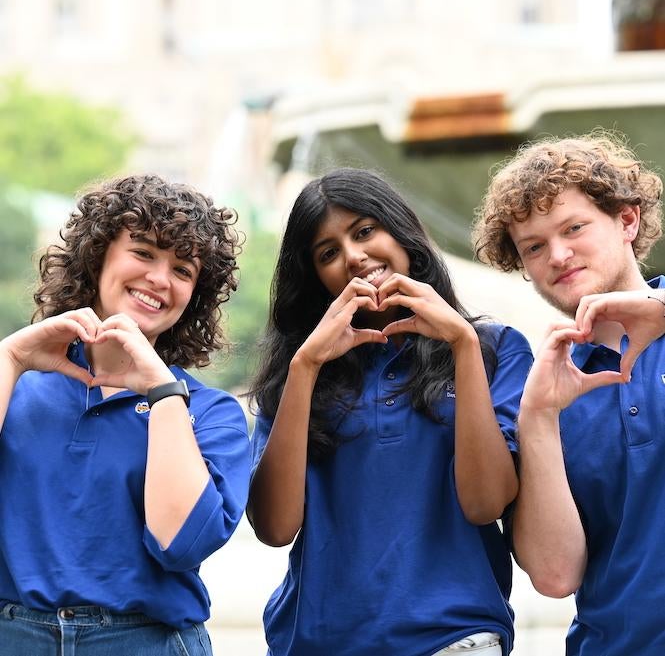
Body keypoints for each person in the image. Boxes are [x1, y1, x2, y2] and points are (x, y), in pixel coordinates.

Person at [246, 167, 533, 656]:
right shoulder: (299, 373)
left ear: (400, 232)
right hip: (317, 643)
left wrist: (462, 345)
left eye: (364, 231)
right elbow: (274, 528)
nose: (354, 257)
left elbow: (487, 504)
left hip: (454, 637)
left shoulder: (494, 350)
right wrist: (306, 366)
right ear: (315, 276)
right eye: (328, 253)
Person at [0, 174, 251, 656]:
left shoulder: (210, 412)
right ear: (98, 257)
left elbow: (178, 543)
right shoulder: (16, 384)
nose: (160, 278)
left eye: (183, 270)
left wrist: (162, 392)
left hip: (146, 641)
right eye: (144, 252)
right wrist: (11, 356)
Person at [472, 132, 665, 655]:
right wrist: (537, 420)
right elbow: (556, 575)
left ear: (627, 220)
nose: (557, 255)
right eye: (533, 246)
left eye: (574, 228)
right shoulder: (548, 389)